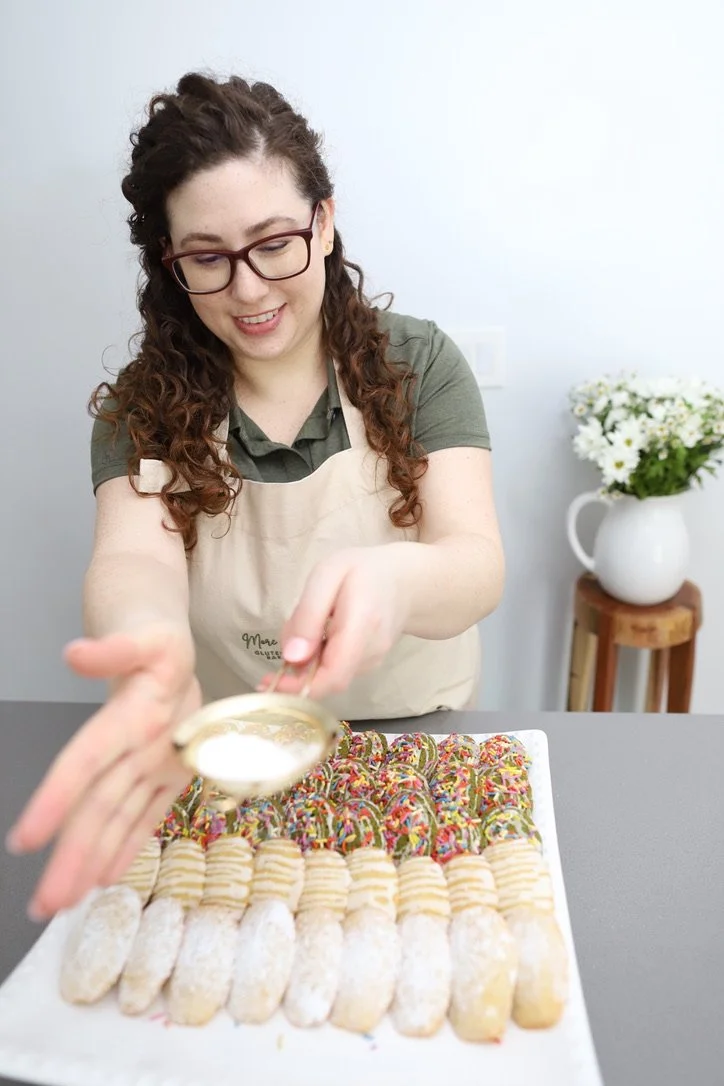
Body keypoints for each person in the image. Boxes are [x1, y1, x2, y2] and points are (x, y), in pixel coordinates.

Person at [7, 72, 504, 919]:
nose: (249, 288)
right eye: (207, 257)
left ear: (325, 220)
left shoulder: (419, 365)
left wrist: (398, 583)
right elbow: (131, 560)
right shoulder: (142, 404)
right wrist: (145, 643)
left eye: (275, 242)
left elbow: (475, 560)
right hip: (229, 758)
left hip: (414, 744)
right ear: (170, 263)